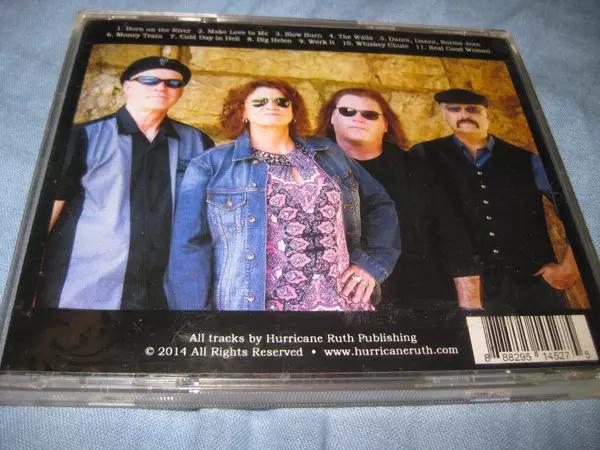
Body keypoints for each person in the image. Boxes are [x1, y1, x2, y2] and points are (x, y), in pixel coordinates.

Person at [166, 79, 400, 311]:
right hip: (259, 312)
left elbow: (379, 204)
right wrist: (194, 320)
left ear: (293, 112)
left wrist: (371, 264)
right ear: (242, 112)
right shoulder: (211, 165)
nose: (271, 106)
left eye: (281, 102)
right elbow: (189, 248)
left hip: (343, 306)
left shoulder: (328, 153)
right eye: (259, 102)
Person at [37, 56, 215, 310]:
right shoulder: (84, 136)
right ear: (128, 86)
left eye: (172, 83)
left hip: (166, 288)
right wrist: (30, 274)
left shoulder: (198, 142)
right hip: (88, 283)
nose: (161, 87)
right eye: (149, 80)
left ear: (180, 92)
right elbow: (50, 209)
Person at [411, 88, 579, 312]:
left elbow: (578, 211)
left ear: (488, 116)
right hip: (458, 290)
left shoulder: (527, 160)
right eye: (455, 109)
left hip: (533, 288)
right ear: (444, 113)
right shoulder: (424, 155)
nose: (464, 115)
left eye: (473, 110)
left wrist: (569, 268)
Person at [316, 88, 481, 310]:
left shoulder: (418, 169)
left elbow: (455, 237)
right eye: (347, 111)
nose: (358, 118)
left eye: (370, 114)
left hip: (418, 295)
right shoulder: (309, 166)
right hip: (336, 298)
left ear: (385, 125)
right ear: (332, 118)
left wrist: (471, 307)